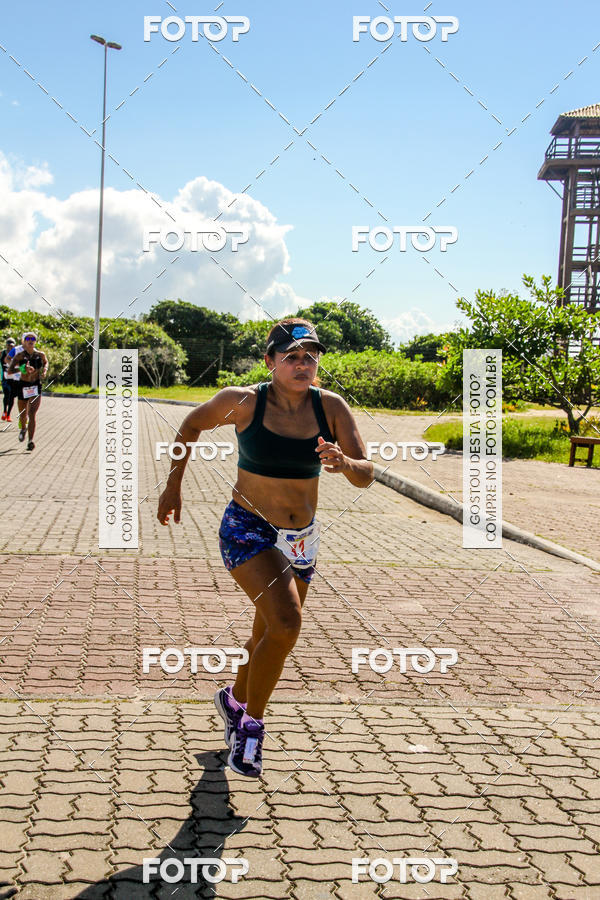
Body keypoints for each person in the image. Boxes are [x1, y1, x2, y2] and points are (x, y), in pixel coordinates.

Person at [157, 318, 373, 777]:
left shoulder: (331, 407)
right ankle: (250, 727)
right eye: (291, 356)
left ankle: (234, 701)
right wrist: (172, 487)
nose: (302, 364)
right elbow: (190, 426)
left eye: (310, 357)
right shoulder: (242, 402)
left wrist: (345, 463)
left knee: (265, 635)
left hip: (301, 539)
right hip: (248, 529)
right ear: (270, 361)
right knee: (287, 623)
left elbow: (366, 473)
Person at [7, 332, 48, 451]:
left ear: (35, 341)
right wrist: (22, 369)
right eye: (28, 338)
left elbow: (46, 362)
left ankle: (30, 441)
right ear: (24, 342)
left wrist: (45, 370)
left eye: (33, 338)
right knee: (23, 414)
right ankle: (23, 429)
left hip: (35, 386)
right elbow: (10, 371)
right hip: (23, 385)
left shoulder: (40, 354)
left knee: (32, 413)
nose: (30, 340)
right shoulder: (19, 355)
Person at [1, 337, 18, 422]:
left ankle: (8, 414)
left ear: (14, 346)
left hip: (14, 378)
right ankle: (4, 411)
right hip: (5, 378)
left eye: (11, 346)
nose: (9, 347)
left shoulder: (17, 354)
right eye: (8, 345)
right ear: (6, 345)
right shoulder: (2, 353)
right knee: (6, 395)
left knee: (12, 397)